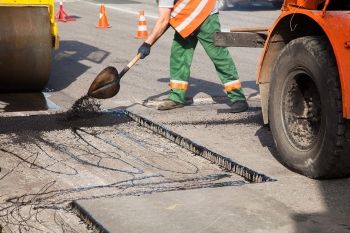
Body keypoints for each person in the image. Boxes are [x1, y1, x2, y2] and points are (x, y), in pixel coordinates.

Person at [137, 0, 248, 112]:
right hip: (185, 17)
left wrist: (148, 43)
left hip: (204, 14)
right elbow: (167, 19)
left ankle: (237, 97)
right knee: (179, 56)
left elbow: (164, 20)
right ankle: (177, 97)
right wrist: (150, 41)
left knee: (219, 56)